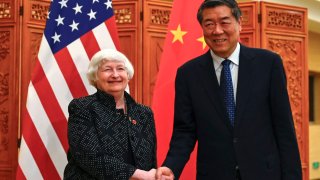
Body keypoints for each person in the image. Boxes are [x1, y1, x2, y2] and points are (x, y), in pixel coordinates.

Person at [156, 0, 302, 180]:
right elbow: (184, 131)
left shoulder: (268, 64)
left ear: (239, 23)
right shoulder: (188, 74)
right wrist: (171, 166)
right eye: (209, 24)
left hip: (265, 173)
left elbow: (284, 128)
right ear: (202, 28)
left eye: (224, 22)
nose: (217, 31)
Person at [64, 49, 157, 180]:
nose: (115, 75)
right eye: (107, 69)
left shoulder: (144, 113)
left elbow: (150, 160)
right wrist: (140, 175)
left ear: (128, 74)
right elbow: (89, 157)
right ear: (95, 76)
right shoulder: (82, 108)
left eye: (120, 69)